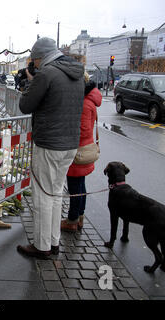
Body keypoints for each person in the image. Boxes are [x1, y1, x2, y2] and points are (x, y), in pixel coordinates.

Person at [16, 37, 85, 259]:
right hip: (69, 145)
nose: (34, 65)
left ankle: (42, 246)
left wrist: (31, 81)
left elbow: (25, 104)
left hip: (49, 144)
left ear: (41, 57)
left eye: (34, 60)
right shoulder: (76, 74)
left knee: (42, 196)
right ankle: (53, 242)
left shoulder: (46, 73)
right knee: (55, 194)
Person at [61, 73, 102, 232]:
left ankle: (72, 220)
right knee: (80, 186)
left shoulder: (84, 103)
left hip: (78, 151)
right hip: (84, 149)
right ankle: (79, 218)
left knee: (75, 188)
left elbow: (83, 130)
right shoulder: (90, 100)